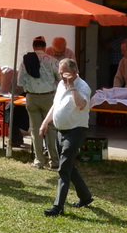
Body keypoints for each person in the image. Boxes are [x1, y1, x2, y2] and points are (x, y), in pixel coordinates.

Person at [44, 57, 94, 214]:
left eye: (64, 73)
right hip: (61, 131)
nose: (61, 77)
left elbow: (81, 105)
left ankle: (58, 207)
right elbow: (56, 104)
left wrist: (72, 86)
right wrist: (45, 122)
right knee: (69, 167)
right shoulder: (60, 84)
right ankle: (85, 197)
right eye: (60, 73)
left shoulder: (83, 87)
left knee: (63, 170)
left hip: (75, 131)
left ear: (74, 72)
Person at [16, 36, 60, 170]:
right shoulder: (52, 60)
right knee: (51, 129)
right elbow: (60, 77)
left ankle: (39, 161)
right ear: (45, 47)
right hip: (48, 97)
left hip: (31, 97)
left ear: (33, 46)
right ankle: (54, 161)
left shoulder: (25, 61)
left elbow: (19, 82)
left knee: (35, 130)